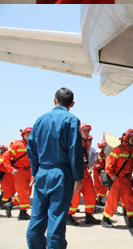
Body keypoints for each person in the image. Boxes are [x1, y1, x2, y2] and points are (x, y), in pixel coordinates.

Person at [24, 88, 84, 249]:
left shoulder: (40, 120)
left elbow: (31, 148)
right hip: (61, 174)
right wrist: (78, 178)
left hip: (42, 172)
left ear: (54, 100)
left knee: (36, 219)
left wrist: (34, 172)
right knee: (56, 221)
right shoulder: (71, 120)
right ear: (72, 104)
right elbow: (75, 150)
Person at [100, 129, 133, 229]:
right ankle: (105, 219)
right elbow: (108, 164)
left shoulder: (131, 150)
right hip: (117, 180)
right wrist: (111, 175)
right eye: (132, 138)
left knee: (130, 200)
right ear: (126, 139)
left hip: (126, 180)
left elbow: (131, 163)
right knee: (113, 200)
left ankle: (131, 220)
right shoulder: (118, 149)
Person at [66, 124, 98, 225]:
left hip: (85, 173)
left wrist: (95, 161)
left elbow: (91, 157)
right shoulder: (74, 143)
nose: (87, 133)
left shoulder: (86, 145)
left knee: (91, 194)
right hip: (76, 173)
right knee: (74, 197)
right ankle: (68, 216)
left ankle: (89, 215)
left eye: (88, 131)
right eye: (85, 131)